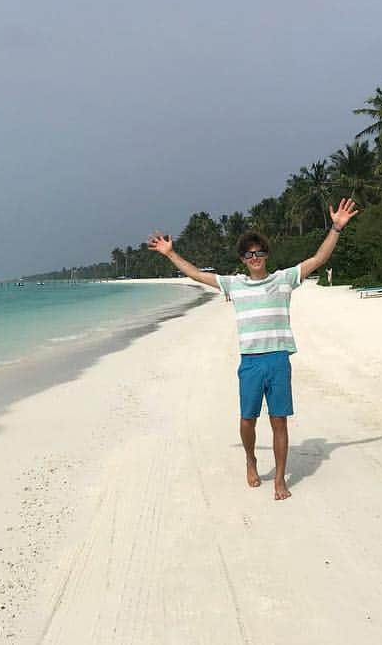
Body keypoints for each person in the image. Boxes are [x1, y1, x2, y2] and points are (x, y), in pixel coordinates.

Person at [147, 198, 359, 500]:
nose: (255, 257)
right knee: (248, 420)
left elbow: (318, 259)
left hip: (278, 359)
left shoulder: (284, 280)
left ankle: (279, 480)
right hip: (251, 362)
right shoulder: (234, 285)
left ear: (266, 255)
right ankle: (251, 459)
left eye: (259, 252)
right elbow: (195, 274)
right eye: (249, 254)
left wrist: (337, 228)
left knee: (279, 420)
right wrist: (170, 254)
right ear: (243, 259)